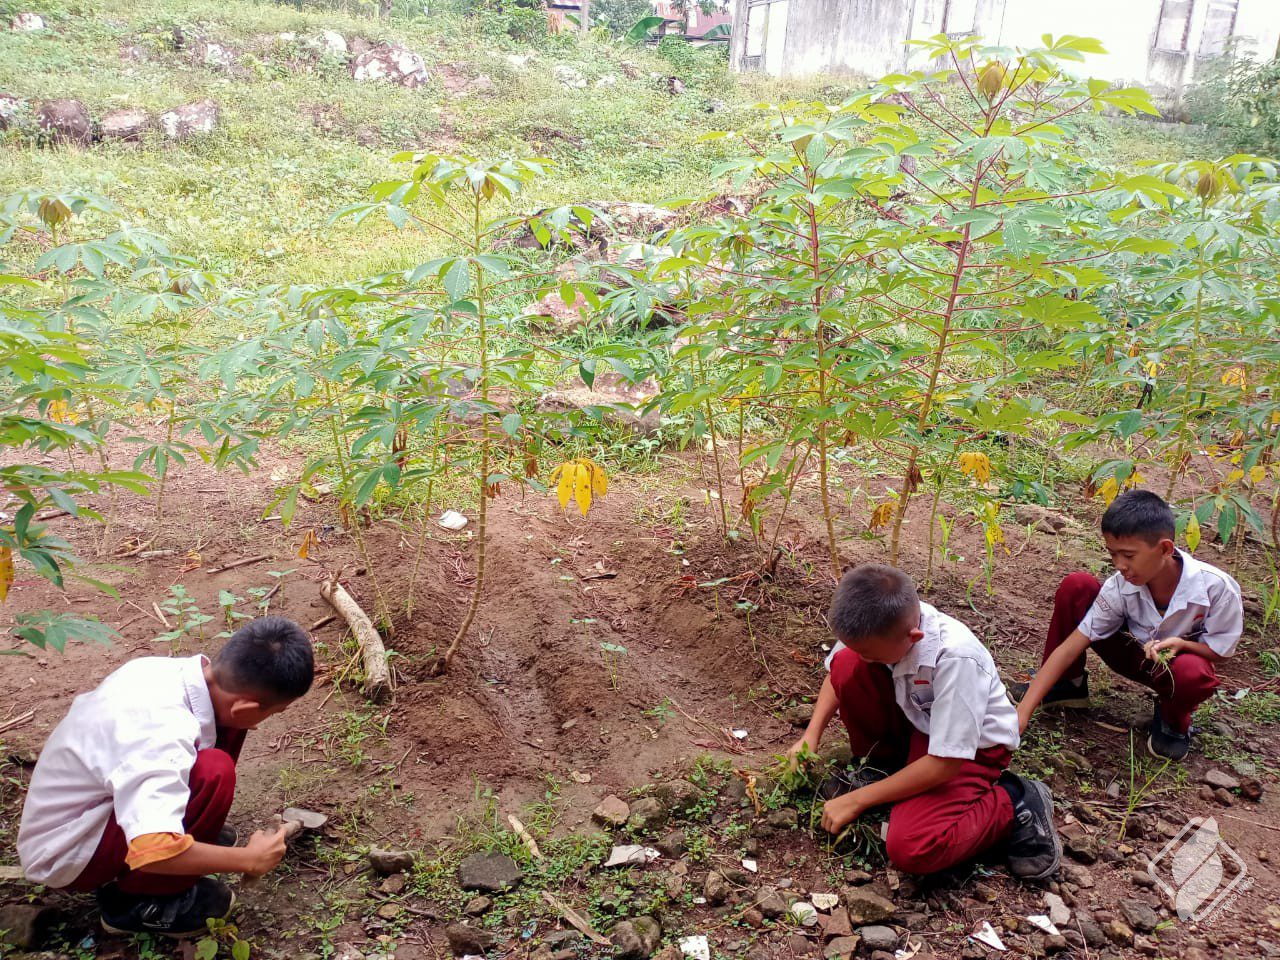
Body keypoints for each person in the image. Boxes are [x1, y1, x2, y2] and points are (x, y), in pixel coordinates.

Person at [18, 616, 315, 937]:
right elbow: (153, 849)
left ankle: (180, 836)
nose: (264, 722)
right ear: (245, 706)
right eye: (273, 713)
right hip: (67, 850)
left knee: (226, 733)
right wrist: (248, 859)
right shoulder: (163, 734)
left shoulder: (167, 672)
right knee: (215, 770)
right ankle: (138, 903)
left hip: (88, 807)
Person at [790, 564, 1060, 880]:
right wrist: (811, 735)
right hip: (921, 725)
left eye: (873, 657)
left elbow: (945, 764)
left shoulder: (956, 659)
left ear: (914, 637)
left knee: (912, 847)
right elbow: (839, 672)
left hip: (971, 751)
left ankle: (1014, 802)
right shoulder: (879, 626)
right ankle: (886, 773)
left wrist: (858, 799)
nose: (866, 660)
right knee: (848, 665)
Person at [1013, 490, 1242, 761]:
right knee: (1078, 585)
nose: (1119, 565)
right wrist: (1022, 714)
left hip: (1175, 669)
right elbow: (1071, 645)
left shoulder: (1217, 588)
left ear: (1165, 549)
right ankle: (1065, 687)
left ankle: (1173, 721)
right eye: (1113, 554)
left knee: (1193, 673)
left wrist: (1182, 645)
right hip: (1130, 653)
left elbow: (1221, 651)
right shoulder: (1120, 587)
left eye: (1129, 555)